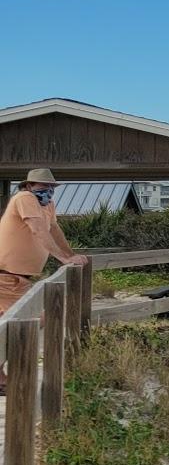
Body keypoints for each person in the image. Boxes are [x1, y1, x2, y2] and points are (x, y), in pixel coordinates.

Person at [0, 168, 89, 392]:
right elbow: (38, 230)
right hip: (7, 277)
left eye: (50, 187)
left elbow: (54, 230)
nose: (47, 190)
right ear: (29, 186)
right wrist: (63, 258)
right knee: (29, 321)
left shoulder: (46, 205)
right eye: (42, 186)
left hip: (19, 278)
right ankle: (1, 378)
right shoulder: (24, 198)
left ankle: (1, 377)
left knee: (14, 324)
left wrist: (70, 255)